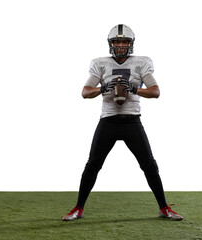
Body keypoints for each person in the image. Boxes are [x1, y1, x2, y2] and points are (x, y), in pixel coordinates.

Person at [62, 24, 183, 221]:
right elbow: (85, 92)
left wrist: (134, 90)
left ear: (131, 44)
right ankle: (78, 208)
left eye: (124, 41)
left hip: (131, 121)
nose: (120, 45)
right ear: (110, 44)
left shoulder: (141, 63)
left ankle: (164, 208)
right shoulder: (100, 64)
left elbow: (155, 91)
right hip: (108, 121)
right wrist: (103, 88)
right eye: (116, 41)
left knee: (150, 165)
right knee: (92, 165)